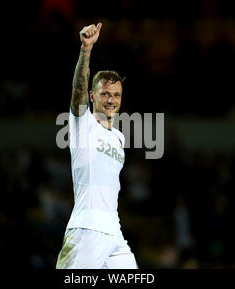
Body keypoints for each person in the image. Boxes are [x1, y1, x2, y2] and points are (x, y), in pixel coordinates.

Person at [56, 22, 138, 269]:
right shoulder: (84, 125)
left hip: (114, 235)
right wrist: (86, 50)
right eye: (104, 94)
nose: (111, 99)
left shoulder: (119, 138)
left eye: (116, 95)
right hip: (86, 232)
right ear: (92, 97)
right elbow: (77, 90)